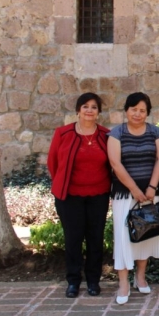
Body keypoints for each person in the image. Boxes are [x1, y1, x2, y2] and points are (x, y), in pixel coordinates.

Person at [48, 93, 111, 298]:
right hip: (70, 196)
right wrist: (62, 183)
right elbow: (53, 163)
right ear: (78, 110)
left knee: (95, 239)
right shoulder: (63, 133)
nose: (89, 110)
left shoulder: (105, 135)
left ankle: (93, 281)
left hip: (98, 196)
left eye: (94, 107)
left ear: (98, 112)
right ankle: (73, 281)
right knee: (73, 239)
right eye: (85, 106)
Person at [108, 92, 159, 305]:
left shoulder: (155, 132)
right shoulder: (116, 133)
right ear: (126, 110)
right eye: (134, 110)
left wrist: (151, 187)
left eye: (142, 110)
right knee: (124, 238)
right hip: (126, 195)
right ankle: (123, 282)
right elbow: (115, 163)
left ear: (147, 112)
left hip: (151, 194)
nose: (138, 114)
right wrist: (134, 189)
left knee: (146, 235)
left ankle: (140, 276)